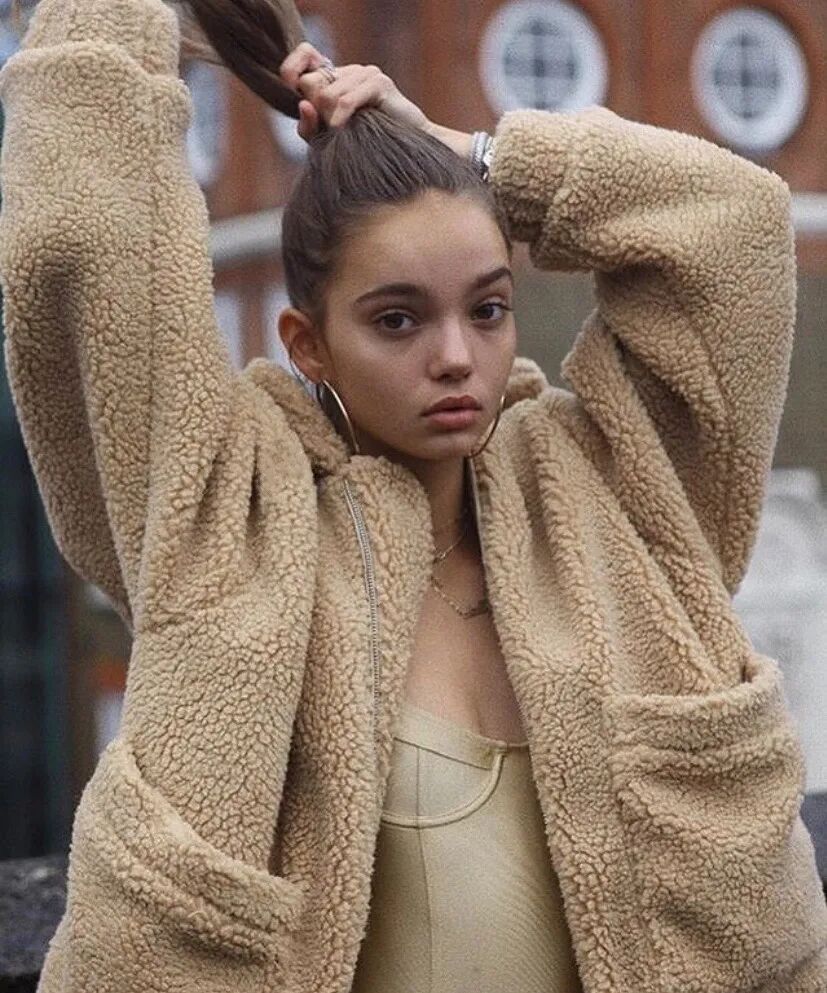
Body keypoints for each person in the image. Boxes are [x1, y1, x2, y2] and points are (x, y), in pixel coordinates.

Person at [0, 0, 825, 989]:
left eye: (487, 309)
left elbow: (733, 227)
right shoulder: (228, 519)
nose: (455, 357)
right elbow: (85, 238)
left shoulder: (614, 492)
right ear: (309, 344)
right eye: (397, 320)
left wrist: (471, 155)